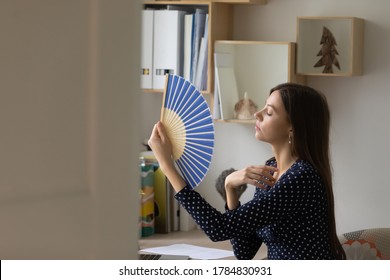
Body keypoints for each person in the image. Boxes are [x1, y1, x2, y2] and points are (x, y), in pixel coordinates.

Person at [148, 83, 346, 260]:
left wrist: (167, 166)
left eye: (269, 112)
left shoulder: (302, 178)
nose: (256, 114)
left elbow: (217, 229)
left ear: (292, 128)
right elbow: (244, 251)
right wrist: (230, 191)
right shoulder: (272, 171)